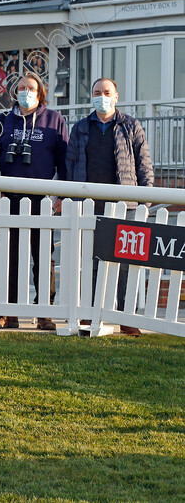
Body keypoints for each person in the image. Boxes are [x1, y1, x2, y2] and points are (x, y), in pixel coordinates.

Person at [66, 77, 153, 336]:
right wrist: (70, 197)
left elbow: (144, 164)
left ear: (116, 97)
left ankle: (126, 318)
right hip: (90, 206)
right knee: (91, 263)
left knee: (124, 264)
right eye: (97, 92)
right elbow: (70, 164)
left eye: (106, 92)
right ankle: (92, 316)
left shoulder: (131, 126)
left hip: (123, 206)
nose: (101, 96)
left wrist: (144, 202)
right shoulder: (81, 127)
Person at [0, 71, 68, 331]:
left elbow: (64, 161)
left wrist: (60, 194)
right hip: (9, 197)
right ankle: (7, 313)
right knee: (10, 257)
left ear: (40, 92)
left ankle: (44, 312)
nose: (26, 92)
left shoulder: (54, 120)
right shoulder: (3, 120)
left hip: (42, 199)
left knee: (43, 256)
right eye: (21, 87)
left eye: (31, 88)